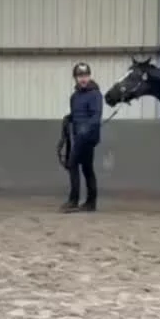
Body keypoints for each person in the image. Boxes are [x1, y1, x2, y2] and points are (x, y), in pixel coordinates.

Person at [61, 61, 103, 213]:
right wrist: (69, 118)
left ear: (89, 76)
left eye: (85, 75)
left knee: (73, 164)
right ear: (75, 78)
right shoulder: (75, 96)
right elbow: (78, 114)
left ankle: (74, 200)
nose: (83, 79)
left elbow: (96, 116)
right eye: (80, 76)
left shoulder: (95, 94)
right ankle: (91, 202)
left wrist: (86, 128)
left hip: (88, 136)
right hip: (78, 135)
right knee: (87, 168)